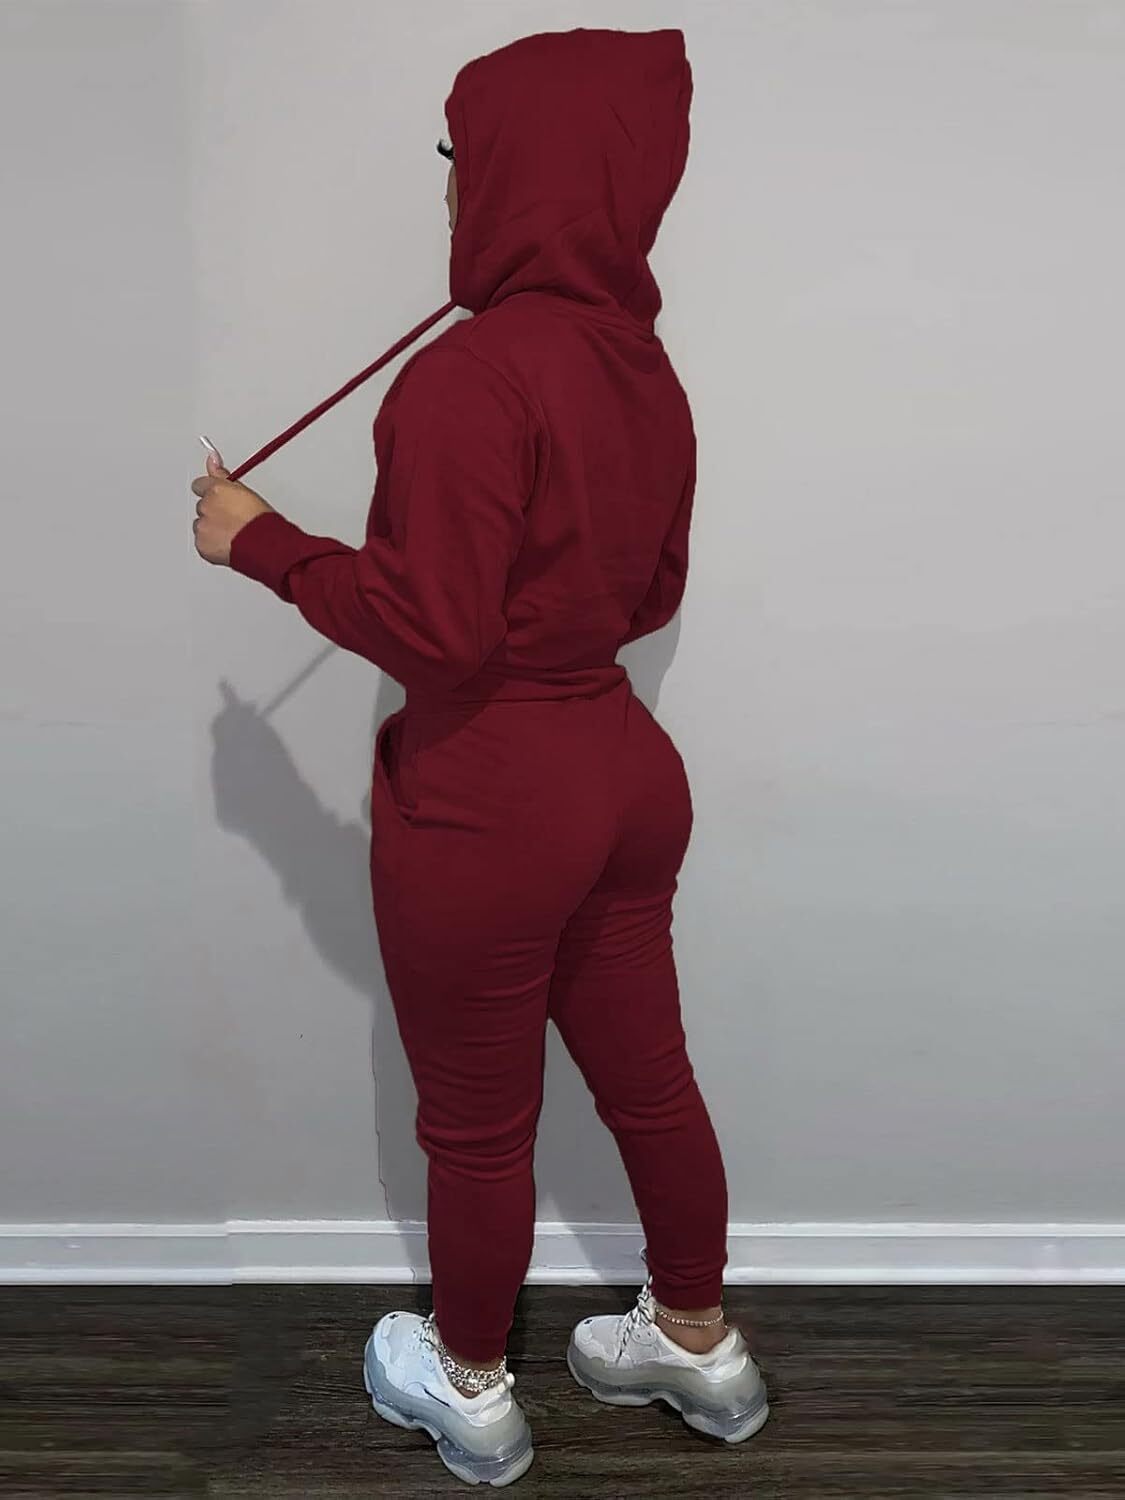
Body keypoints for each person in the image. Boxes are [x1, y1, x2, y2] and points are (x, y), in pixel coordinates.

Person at [191, 25, 767, 1489]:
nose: (451, 190)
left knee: (476, 1127)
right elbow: (652, 598)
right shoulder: (647, 371)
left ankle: (468, 1387)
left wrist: (262, 543)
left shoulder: (465, 379)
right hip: (624, 775)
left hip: (494, 799)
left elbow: (431, 632)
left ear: (523, 170)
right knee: (651, 1083)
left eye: (461, 159)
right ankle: (698, 1344)